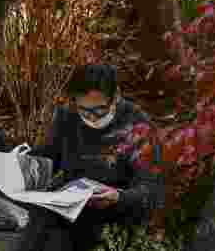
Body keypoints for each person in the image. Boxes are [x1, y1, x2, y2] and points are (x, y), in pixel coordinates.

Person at [21, 63, 164, 251]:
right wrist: (21, 165)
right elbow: (47, 157)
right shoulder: (67, 117)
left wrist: (120, 197)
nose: (92, 118)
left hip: (116, 212)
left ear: (116, 97)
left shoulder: (137, 124)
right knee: (41, 218)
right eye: (84, 111)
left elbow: (151, 188)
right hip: (71, 207)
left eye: (99, 110)